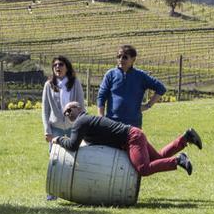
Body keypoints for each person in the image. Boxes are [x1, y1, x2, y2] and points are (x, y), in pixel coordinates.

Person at [53, 102, 201, 176]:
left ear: (79, 108)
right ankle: (186, 137)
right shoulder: (85, 122)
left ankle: (178, 160)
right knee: (158, 158)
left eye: (69, 109)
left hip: (131, 138)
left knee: (143, 169)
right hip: (133, 134)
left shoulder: (81, 121)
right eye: (65, 113)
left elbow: (72, 145)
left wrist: (58, 139)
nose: (67, 113)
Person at [41, 55, 85, 200]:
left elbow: (81, 105)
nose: (58, 68)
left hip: (73, 127)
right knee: (54, 160)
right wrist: (47, 131)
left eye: (60, 65)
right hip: (56, 128)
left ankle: (74, 190)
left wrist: (82, 124)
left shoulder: (75, 83)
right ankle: (52, 193)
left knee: (75, 159)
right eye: (55, 66)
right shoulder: (48, 85)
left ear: (67, 67)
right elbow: (45, 110)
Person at [97, 44, 166, 128]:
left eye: (125, 57)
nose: (121, 59)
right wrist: (101, 116)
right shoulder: (110, 74)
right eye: (119, 56)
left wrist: (148, 105)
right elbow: (101, 96)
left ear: (133, 59)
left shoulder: (141, 76)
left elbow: (161, 88)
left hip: (133, 124)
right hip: (112, 122)